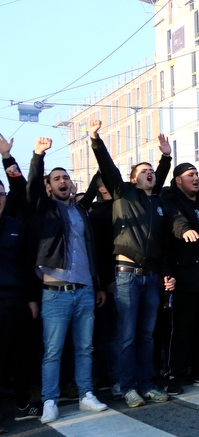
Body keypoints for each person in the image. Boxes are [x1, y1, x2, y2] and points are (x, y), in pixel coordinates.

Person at [89, 118, 173, 408]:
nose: (149, 174)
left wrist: (166, 157)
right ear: (132, 177)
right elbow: (108, 167)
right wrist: (95, 139)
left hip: (150, 276)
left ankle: (146, 383)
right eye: (143, 171)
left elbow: (162, 246)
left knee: (146, 335)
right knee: (126, 334)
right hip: (126, 275)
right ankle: (127, 387)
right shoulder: (124, 194)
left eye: (152, 172)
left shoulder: (157, 203)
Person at [28, 137, 108, 424]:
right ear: (50, 186)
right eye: (57, 179)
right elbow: (33, 184)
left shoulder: (81, 211)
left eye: (67, 178)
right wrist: (39, 155)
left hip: (85, 291)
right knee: (53, 350)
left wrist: (97, 285)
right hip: (55, 292)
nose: (63, 181)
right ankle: (50, 399)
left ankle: (86, 394)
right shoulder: (45, 208)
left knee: (85, 347)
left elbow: (90, 250)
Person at [161, 163, 199, 394]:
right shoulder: (171, 200)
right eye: (190, 175)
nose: (195, 178)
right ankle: (173, 375)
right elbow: (176, 221)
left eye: (197, 174)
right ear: (178, 180)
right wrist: (184, 230)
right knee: (181, 330)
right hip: (183, 276)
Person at [0, 138, 42, 423]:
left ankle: (23, 403)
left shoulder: (14, 223)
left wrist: (6, 156)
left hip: (18, 299)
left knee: (23, 355)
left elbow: (18, 185)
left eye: (0, 193)